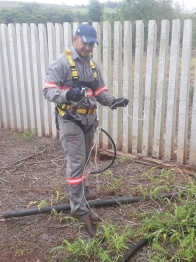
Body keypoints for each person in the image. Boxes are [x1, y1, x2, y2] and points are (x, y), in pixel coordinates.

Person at [43, 24, 129, 237]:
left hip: (89, 120)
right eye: (85, 43)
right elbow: (48, 90)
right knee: (75, 161)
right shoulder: (61, 63)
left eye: (92, 44)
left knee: (81, 161)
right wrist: (68, 95)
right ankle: (79, 209)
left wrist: (112, 101)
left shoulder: (92, 65)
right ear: (75, 39)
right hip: (70, 119)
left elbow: (100, 91)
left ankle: (78, 192)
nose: (88, 47)